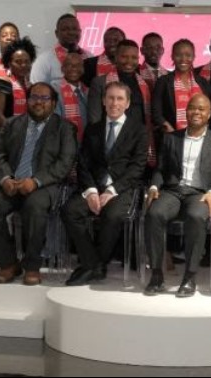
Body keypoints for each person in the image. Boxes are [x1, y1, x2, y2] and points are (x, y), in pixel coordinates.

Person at [0, 82, 76, 286]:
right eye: (34, 97)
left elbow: (64, 163)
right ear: (27, 100)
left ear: (54, 103)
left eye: (44, 98)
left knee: (34, 206)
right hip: (12, 183)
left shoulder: (65, 128)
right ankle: (8, 263)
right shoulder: (12, 124)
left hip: (44, 185)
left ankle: (32, 266)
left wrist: (36, 181)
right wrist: (5, 179)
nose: (38, 102)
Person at [144, 93, 211, 298]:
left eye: (201, 109)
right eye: (192, 108)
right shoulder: (171, 138)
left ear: (209, 114)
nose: (196, 112)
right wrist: (154, 187)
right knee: (154, 213)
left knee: (196, 217)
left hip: (200, 193)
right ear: (186, 111)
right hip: (173, 191)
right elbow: (160, 169)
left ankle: (189, 277)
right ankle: (156, 274)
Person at [63, 81, 148, 286]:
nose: (114, 103)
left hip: (122, 188)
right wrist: (91, 191)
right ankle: (93, 264)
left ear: (127, 103)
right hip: (95, 185)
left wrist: (112, 190)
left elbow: (137, 167)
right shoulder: (93, 128)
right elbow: (83, 163)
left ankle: (93, 266)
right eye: (110, 98)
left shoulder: (139, 130)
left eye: (119, 99)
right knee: (70, 211)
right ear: (103, 101)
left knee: (113, 215)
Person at [152, 39, 211, 135]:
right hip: (172, 136)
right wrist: (172, 133)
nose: (183, 59)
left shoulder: (203, 82)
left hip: (200, 136)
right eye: (178, 55)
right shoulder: (163, 82)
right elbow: (156, 114)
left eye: (188, 55)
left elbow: (209, 110)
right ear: (172, 56)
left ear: (193, 57)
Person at [30, 13, 90, 85]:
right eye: (65, 29)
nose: (71, 32)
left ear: (80, 32)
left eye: (75, 29)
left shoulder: (89, 56)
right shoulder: (43, 60)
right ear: (56, 33)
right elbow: (36, 89)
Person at [0, 37, 37, 127]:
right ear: (9, 63)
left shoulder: (31, 86)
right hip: (7, 132)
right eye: (18, 62)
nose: (23, 65)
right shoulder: (3, 82)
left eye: (27, 61)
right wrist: (12, 133)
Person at [54, 51, 88, 143]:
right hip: (63, 143)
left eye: (78, 65)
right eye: (69, 65)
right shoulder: (54, 90)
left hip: (86, 144)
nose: (74, 68)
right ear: (62, 68)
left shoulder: (88, 91)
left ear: (83, 69)